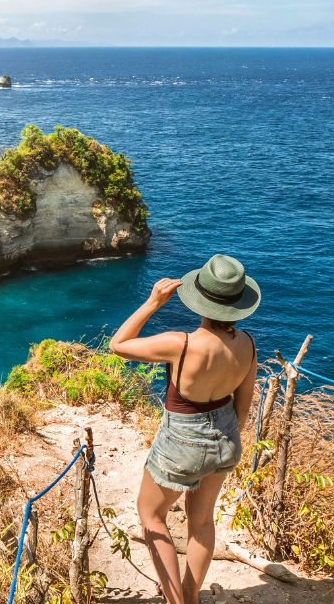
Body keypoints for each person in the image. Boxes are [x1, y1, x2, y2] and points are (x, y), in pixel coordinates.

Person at [109, 254, 260, 604]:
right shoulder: (248, 343)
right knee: (202, 521)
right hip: (226, 436)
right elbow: (244, 403)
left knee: (151, 515)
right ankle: (189, 597)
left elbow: (118, 345)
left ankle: (176, 602)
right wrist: (226, 437)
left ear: (200, 300)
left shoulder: (182, 343)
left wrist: (153, 301)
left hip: (182, 440)